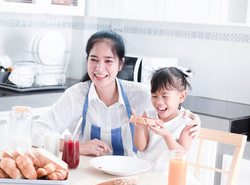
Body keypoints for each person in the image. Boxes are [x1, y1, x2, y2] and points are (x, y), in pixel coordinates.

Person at [32, 30, 200, 156]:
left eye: (108, 61)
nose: (99, 68)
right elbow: (36, 134)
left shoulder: (140, 94)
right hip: (86, 173)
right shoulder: (76, 95)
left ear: (121, 64)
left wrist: (192, 118)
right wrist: (78, 146)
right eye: (94, 60)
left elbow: (170, 111)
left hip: (132, 176)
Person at [132, 67, 195, 172]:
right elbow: (140, 147)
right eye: (154, 96)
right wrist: (138, 129)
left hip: (168, 175)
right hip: (143, 170)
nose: (159, 102)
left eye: (165, 96)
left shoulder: (186, 122)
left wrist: (166, 135)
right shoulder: (148, 114)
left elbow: (180, 155)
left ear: (181, 96)